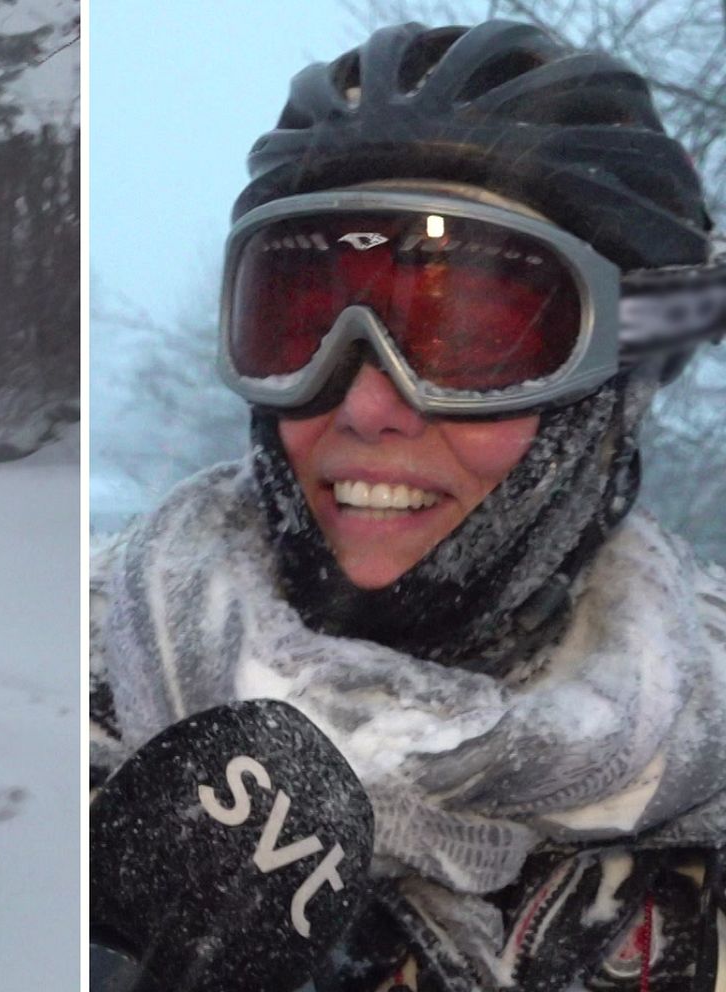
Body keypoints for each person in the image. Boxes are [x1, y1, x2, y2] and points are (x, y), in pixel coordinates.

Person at [91, 20, 726, 991]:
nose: (364, 404)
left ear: (614, 385)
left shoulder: (702, 794)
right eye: (296, 324)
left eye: (467, 336)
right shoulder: (84, 683)